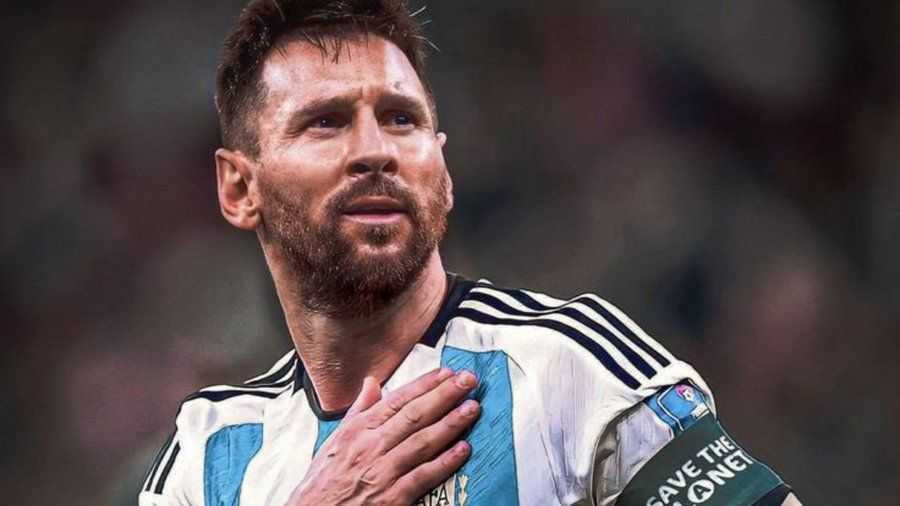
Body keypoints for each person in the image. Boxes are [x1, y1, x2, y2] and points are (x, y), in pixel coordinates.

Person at [139, 1, 800, 504]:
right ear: (239, 187)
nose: (376, 151)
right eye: (326, 122)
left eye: (401, 118)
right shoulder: (207, 453)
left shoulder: (568, 366)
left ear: (444, 173)